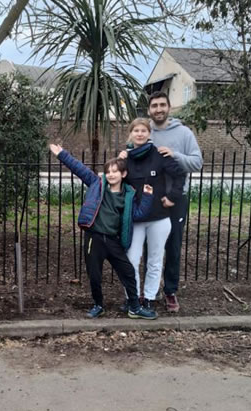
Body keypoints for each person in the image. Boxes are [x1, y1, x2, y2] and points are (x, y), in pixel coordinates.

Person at [49, 143, 157, 320]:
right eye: (108, 171)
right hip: (94, 238)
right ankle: (98, 305)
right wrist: (62, 154)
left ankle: (135, 307)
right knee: (95, 275)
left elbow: (137, 214)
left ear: (123, 174)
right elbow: (79, 169)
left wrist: (147, 197)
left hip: (113, 241)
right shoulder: (96, 184)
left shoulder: (128, 195)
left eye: (115, 171)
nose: (111, 174)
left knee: (128, 272)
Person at [121, 118, 185, 318]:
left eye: (143, 130)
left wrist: (172, 198)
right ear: (131, 134)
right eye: (136, 130)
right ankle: (132, 297)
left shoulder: (159, 155)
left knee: (155, 260)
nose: (139, 134)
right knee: (131, 260)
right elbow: (114, 179)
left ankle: (148, 298)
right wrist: (119, 158)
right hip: (135, 218)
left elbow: (180, 174)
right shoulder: (126, 158)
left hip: (159, 217)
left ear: (149, 134)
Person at [148, 92, 203, 312]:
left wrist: (175, 154)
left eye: (162, 105)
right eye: (154, 105)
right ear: (149, 109)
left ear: (169, 107)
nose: (158, 109)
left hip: (176, 198)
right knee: (149, 246)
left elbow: (197, 162)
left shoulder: (184, 133)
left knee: (173, 245)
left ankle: (170, 291)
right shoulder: (144, 130)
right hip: (150, 197)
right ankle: (149, 290)